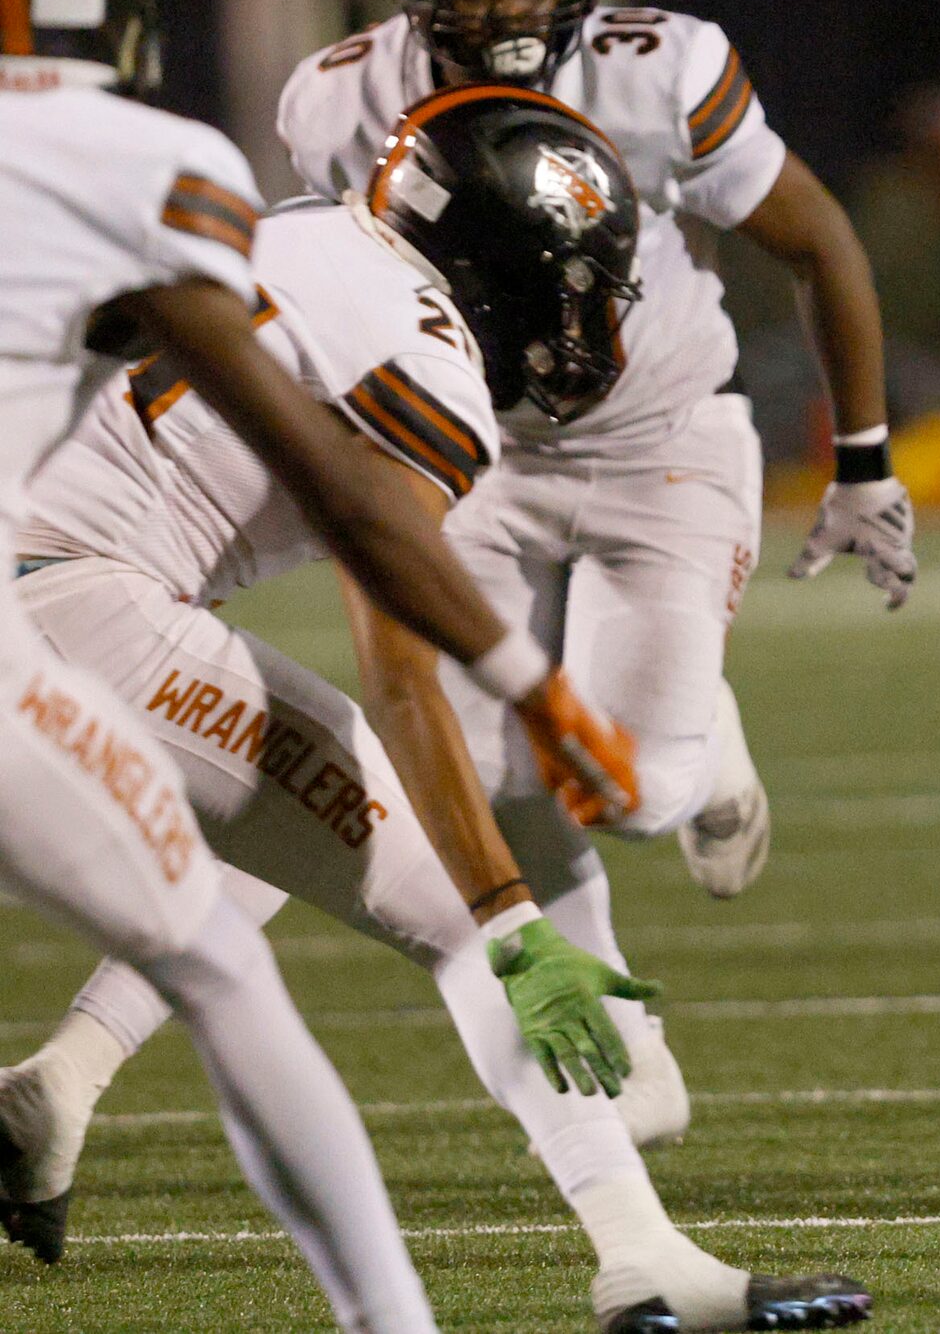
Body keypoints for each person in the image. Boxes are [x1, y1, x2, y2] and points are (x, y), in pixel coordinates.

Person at [2, 89, 867, 1331]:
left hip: (29, 586)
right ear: (500, 253)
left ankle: (48, 1097)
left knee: (238, 872)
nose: (578, 316)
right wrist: (509, 905)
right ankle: (641, 1257)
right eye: (572, 280)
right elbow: (399, 664)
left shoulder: (295, 229)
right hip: (82, 608)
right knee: (469, 925)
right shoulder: (428, 360)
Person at [277, 0, 912, 1144]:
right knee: (489, 762)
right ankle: (628, 1039)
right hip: (475, 452)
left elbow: (819, 238)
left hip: (659, 437)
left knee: (634, 795)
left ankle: (709, 735)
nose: (504, 3)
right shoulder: (335, 101)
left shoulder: (660, 68)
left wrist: (861, 459)